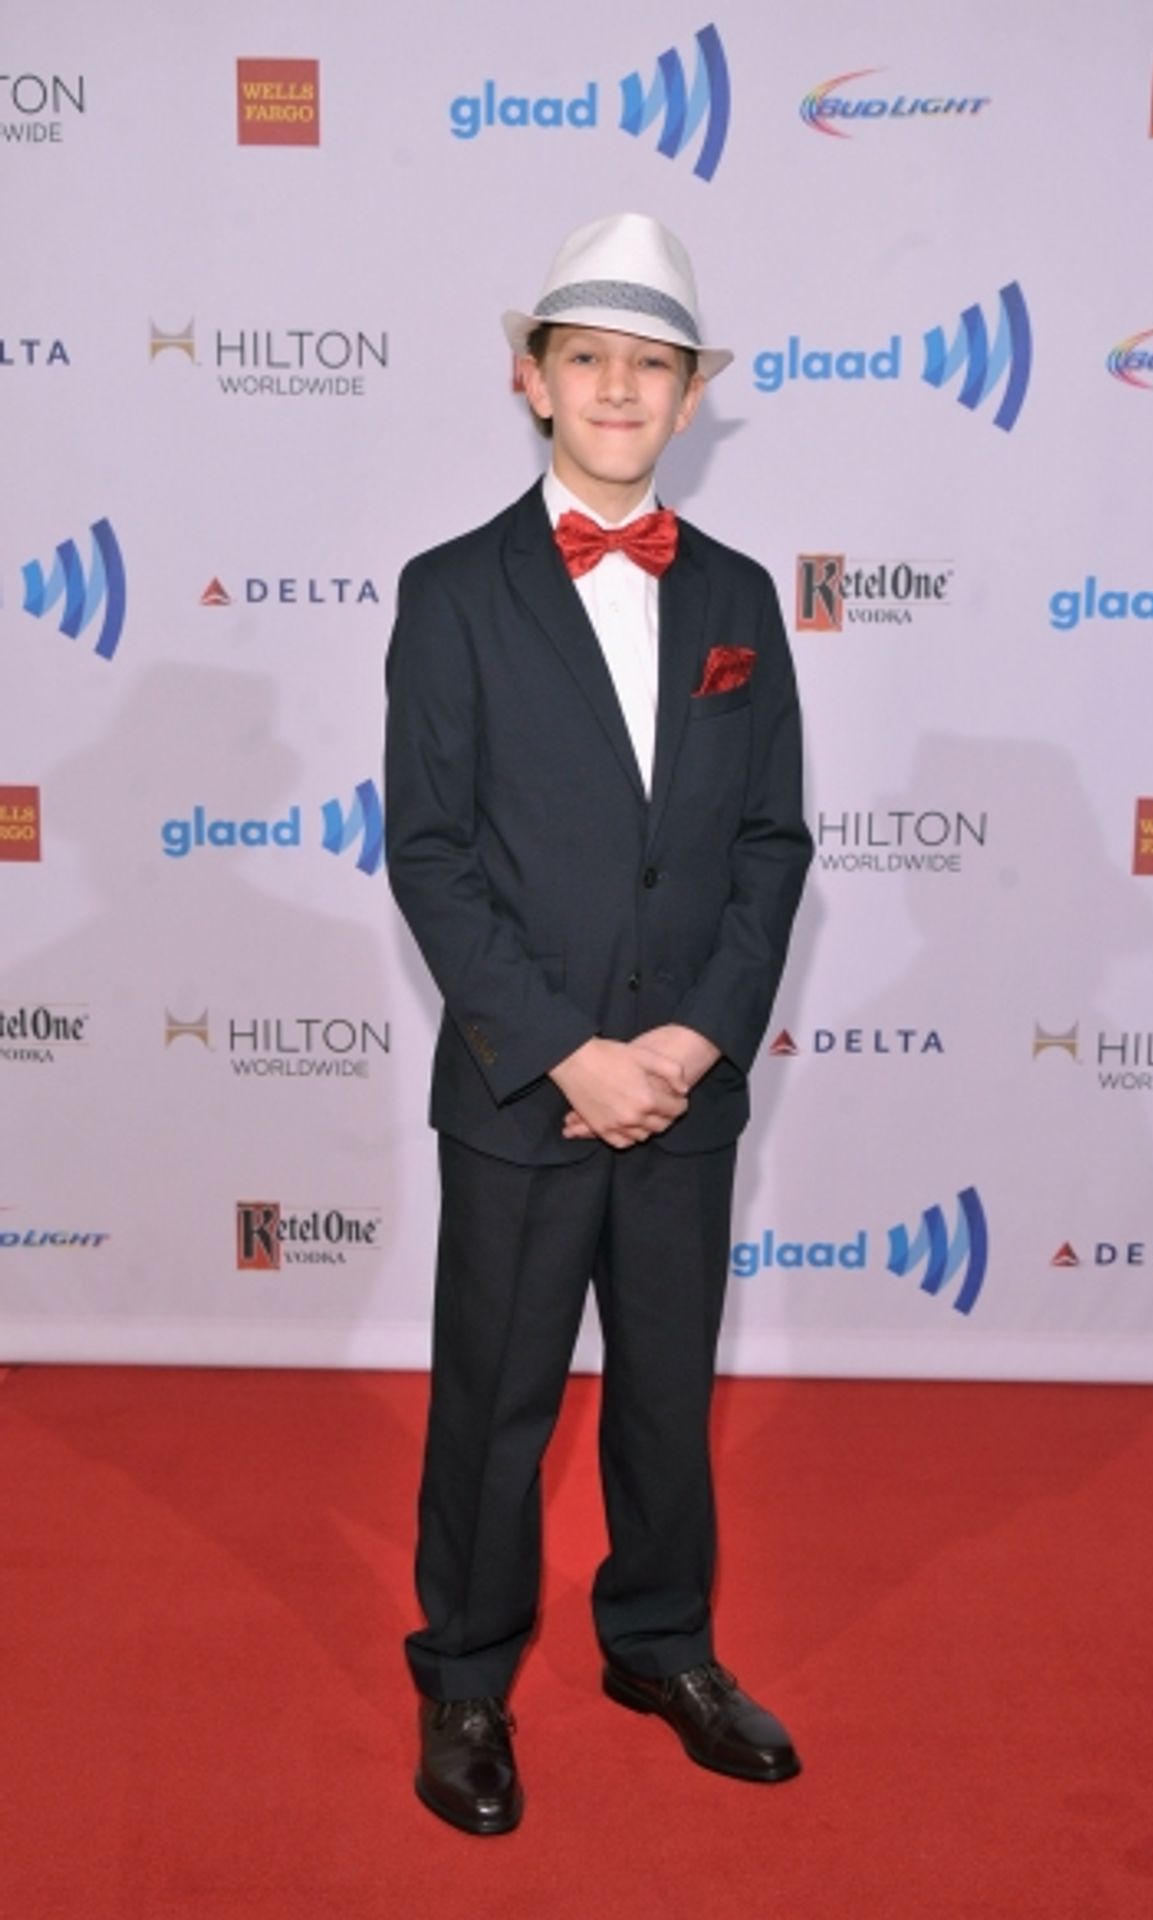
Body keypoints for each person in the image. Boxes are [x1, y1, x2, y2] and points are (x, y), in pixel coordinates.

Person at [384, 211, 813, 1836]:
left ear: (690, 397)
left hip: (684, 1087)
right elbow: (431, 854)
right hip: (525, 1087)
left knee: (665, 1392)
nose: (619, 390)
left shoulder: (741, 596)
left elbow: (770, 844)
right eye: (588, 360)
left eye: (652, 365)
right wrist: (572, 1049)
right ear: (533, 379)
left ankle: (662, 1643)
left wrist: (691, 1044)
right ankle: (466, 1677)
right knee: (494, 1401)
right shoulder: (452, 593)